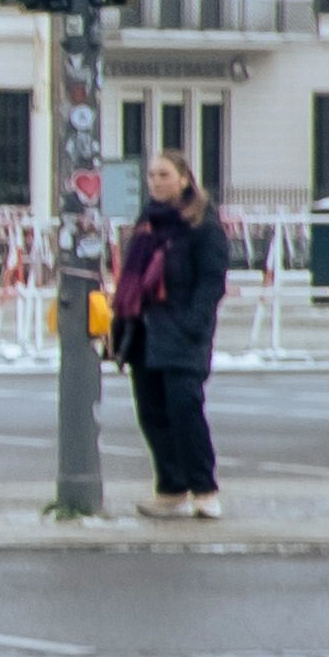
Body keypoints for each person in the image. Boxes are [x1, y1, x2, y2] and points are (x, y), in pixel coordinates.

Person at [115, 150, 230, 517]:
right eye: (151, 176)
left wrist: (192, 323)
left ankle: (204, 488)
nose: (156, 182)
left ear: (183, 178)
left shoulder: (202, 226)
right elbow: (130, 278)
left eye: (164, 174)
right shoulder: (147, 223)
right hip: (145, 331)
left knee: (184, 408)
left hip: (182, 332)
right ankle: (170, 487)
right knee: (151, 413)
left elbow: (211, 282)